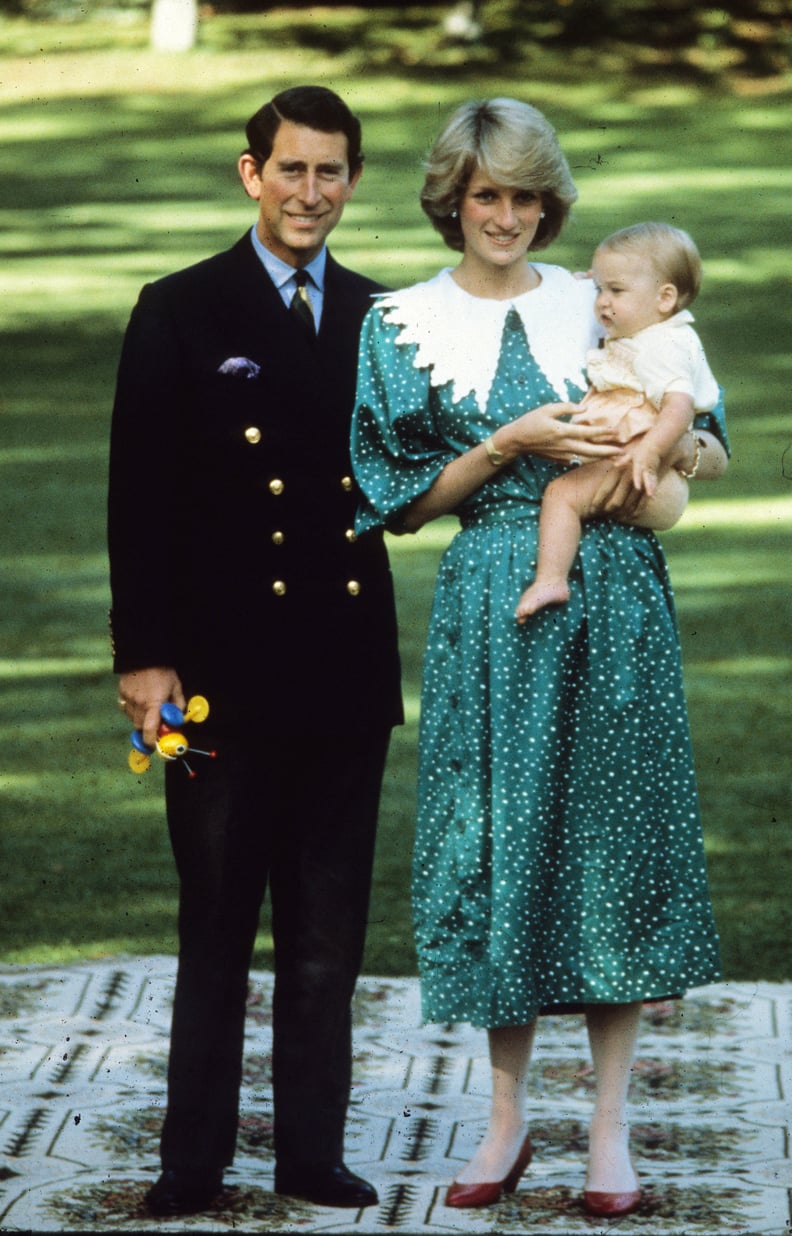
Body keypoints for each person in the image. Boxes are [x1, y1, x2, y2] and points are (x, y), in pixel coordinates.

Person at [351, 98, 728, 1218]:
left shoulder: (609, 297)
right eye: (485, 196)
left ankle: (610, 1129)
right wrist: (507, 442)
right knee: (498, 842)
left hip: (615, 588)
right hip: (496, 597)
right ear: (452, 202)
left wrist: (680, 455)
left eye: (523, 195)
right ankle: (506, 1117)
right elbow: (399, 501)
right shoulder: (400, 324)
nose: (506, 216)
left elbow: (705, 431)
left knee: (609, 842)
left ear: (548, 202)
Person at [108, 85, 402, 1216]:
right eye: (291, 170)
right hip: (217, 678)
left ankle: (310, 1156)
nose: (309, 193)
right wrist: (145, 659)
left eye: (331, 173)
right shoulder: (181, 308)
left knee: (328, 935)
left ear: (351, 183)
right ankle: (193, 1162)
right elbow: (138, 500)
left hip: (340, 671)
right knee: (218, 922)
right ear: (250, 175)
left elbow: (416, 477)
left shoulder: (384, 318)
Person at [516, 220, 719, 620]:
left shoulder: (664, 345)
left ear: (664, 298)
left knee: (561, 495)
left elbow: (679, 407)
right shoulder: (650, 330)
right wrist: (596, 286)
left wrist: (649, 452)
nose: (603, 302)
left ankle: (550, 580)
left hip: (645, 475)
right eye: (599, 289)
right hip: (641, 472)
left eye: (616, 290)